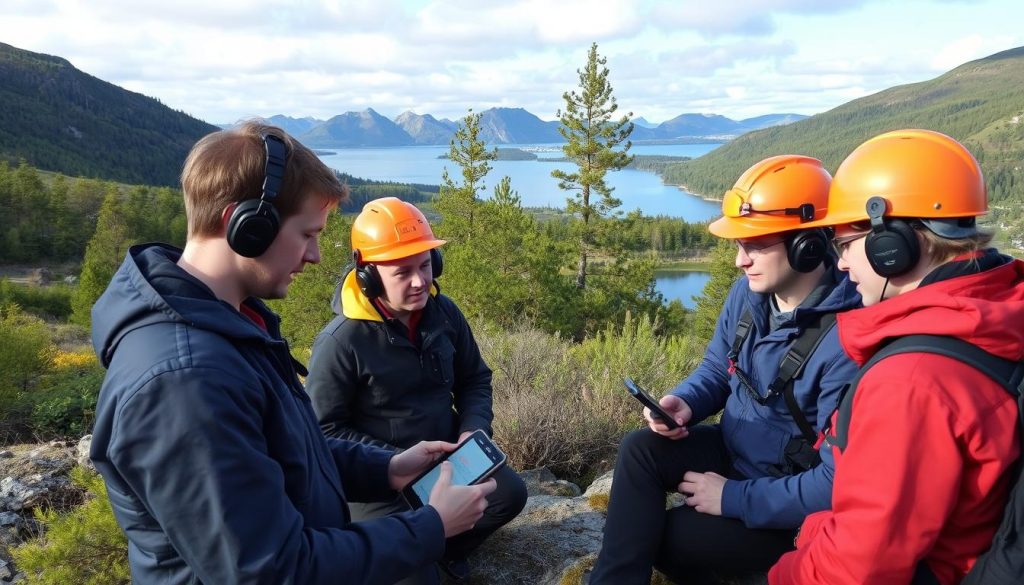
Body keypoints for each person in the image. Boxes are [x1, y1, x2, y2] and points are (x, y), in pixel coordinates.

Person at [88, 121, 496, 585]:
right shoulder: (185, 381)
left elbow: (287, 450)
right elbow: (270, 571)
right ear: (244, 227)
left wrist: (387, 467)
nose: (317, 256)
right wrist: (431, 528)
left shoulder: (233, 327)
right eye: (307, 234)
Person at [588, 155, 861, 584]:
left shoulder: (847, 338)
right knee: (640, 449)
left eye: (754, 245)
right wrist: (685, 403)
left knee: (667, 537)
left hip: (787, 502)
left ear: (806, 244)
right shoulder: (747, 297)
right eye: (738, 245)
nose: (740, 260)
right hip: (735, 451)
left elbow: (835, 483)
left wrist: (733, 497)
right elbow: (719, 368)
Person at [769, 129, 1024, 584]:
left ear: (895, 246)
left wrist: (781, 573)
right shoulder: (998, 313)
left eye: (846, 244)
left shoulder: (912, 381)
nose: (842, 265)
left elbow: (856, 568)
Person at [305, 196, 528, 584]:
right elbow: (322, 432)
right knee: (411, 571)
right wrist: (395, 461)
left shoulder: (444, 312)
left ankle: (444, 552)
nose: (420, 281)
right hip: (379, 483)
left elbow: (475, 378)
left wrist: (472, 430)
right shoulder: (341, 342)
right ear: (368, 275)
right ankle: (423, 557)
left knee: (510, 495)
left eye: (425, 265)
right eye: (402, 271)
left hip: (447, 461)